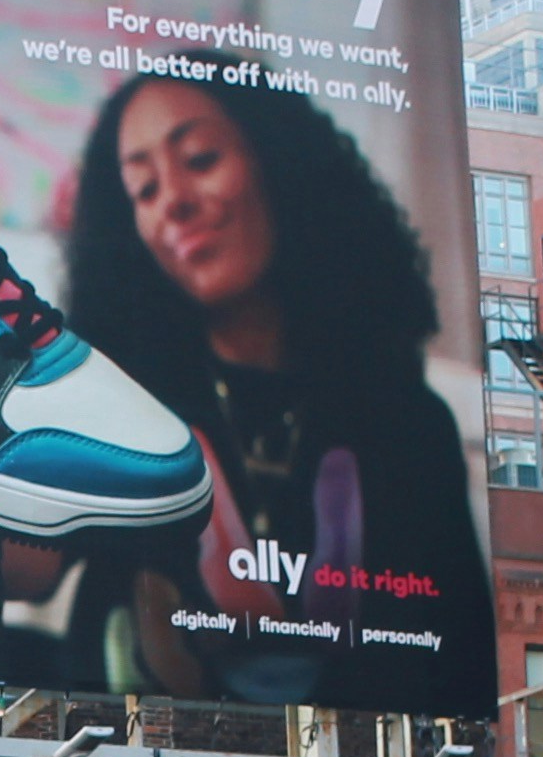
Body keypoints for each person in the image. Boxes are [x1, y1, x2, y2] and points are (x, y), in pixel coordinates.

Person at [58, 73, 497, 722]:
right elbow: (26, 563)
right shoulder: (124, 413)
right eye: (143, 189)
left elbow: (459, 679)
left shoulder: (407, 424)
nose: (173, 201)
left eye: (201, 159)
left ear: (278, 165)